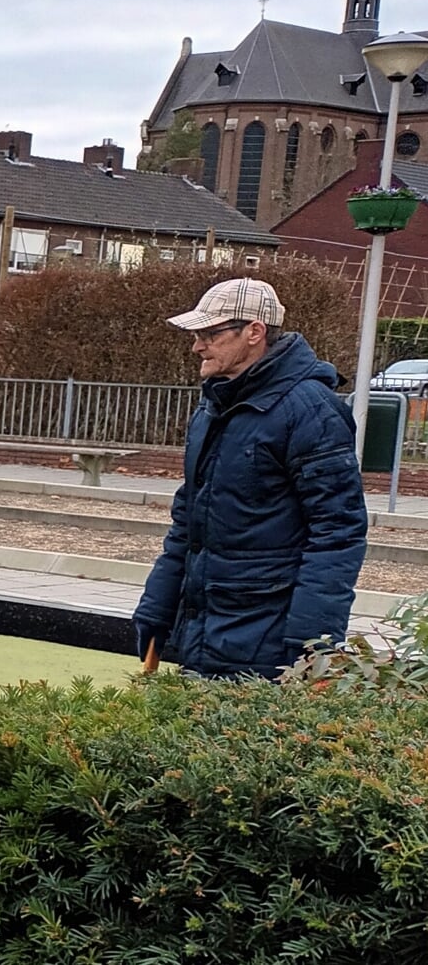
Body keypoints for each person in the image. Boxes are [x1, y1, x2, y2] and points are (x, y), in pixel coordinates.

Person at [132, 278, 367, 679]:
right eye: (196, 334)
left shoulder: (311, 411)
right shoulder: (214, 404)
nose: (197, 345)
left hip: (270, 644)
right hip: (205, 631)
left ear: (255, 332)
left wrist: (313, 643)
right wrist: (157, 606)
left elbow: (337, 532)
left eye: (210, 333)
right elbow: (189, 520)